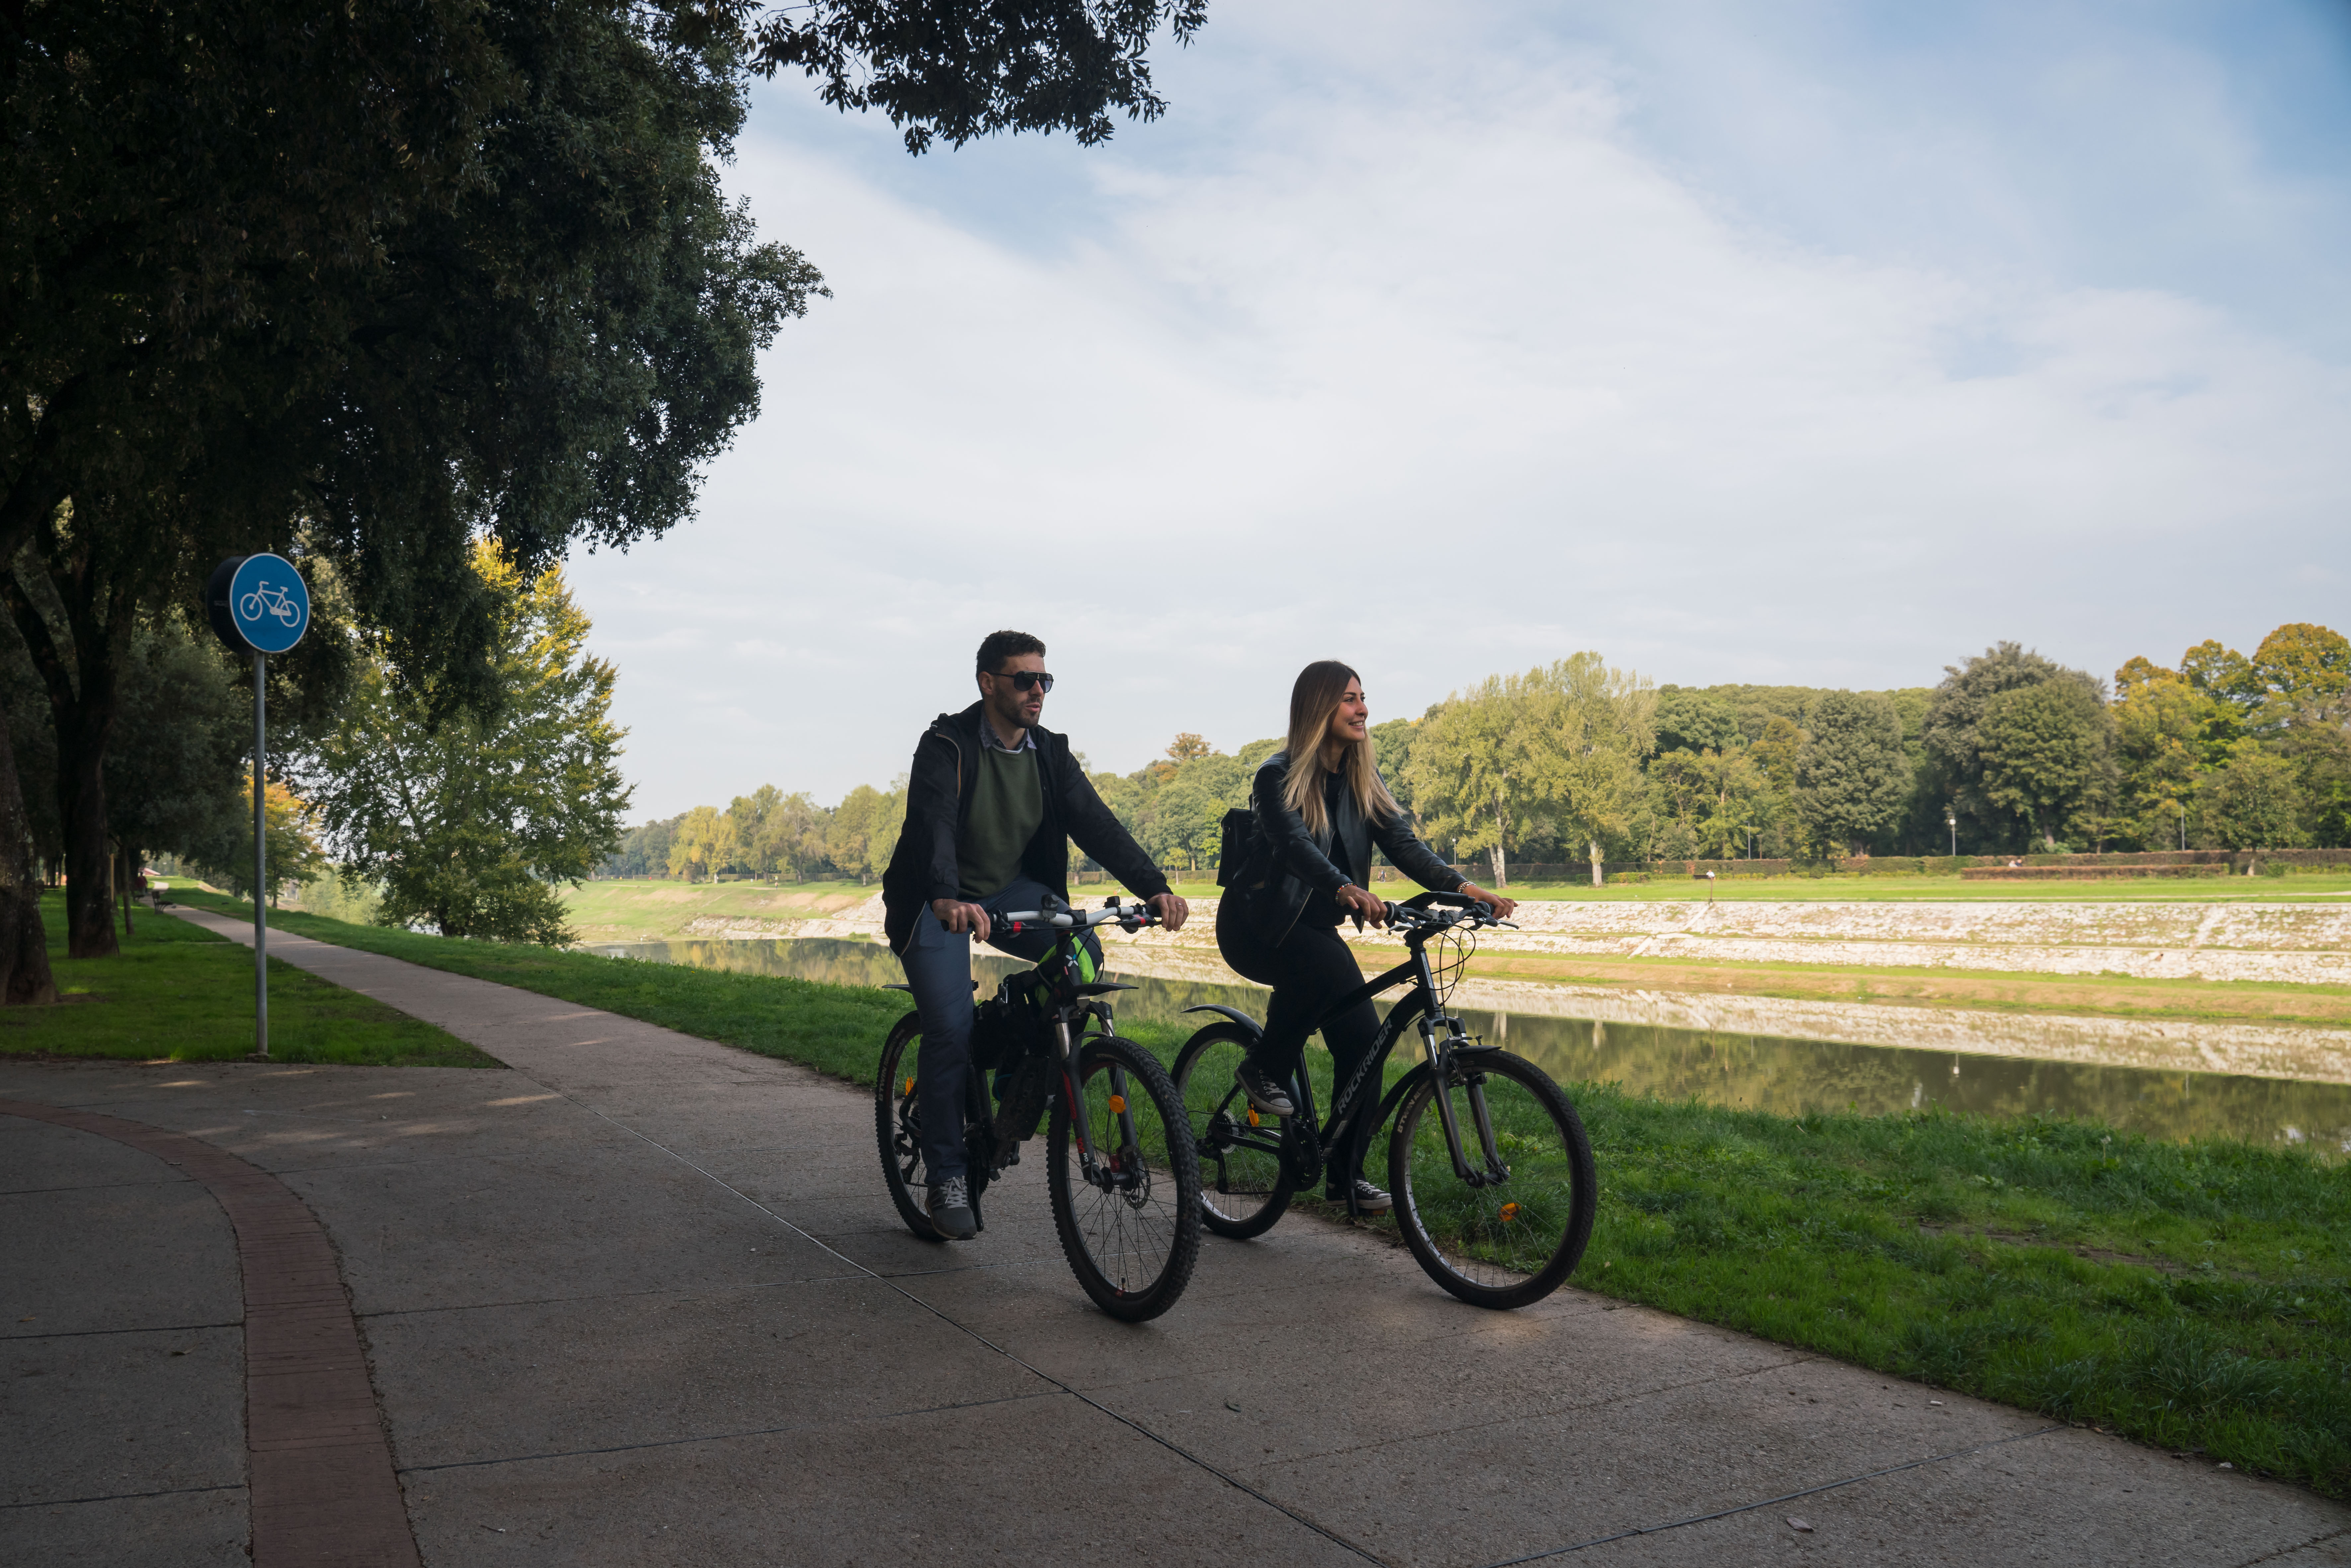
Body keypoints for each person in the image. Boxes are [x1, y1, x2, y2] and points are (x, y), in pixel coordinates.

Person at [880, 630, 1188, 1241]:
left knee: (1082, 955)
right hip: (934, 900)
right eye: (1024, 679)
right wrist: (946, 894)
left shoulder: (1049, 753)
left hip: (1008, 891)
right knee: (949, 1027)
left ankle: (1015, 1071)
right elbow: (934, 822)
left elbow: (1098, 824)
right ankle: (945, 1172)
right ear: (988, 683)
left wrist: (1153, 886)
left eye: (1045, 679)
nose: (1038, 690)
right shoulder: (946, 744)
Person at [1216, 660, 1513, 1213]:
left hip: (1314, 926)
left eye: (1363, 697)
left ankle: (1342, 1176)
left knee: (1364, 1048)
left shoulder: (1361, 778)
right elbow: (1293, 846)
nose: (1363, 709)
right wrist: (1344, 888)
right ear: (1319, 707)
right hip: (1258, 925)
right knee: (1322, 970)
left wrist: (1464, 888)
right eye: (1349, 699)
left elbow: (1405, 846)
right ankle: (1263, 1066)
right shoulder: (1275, 775)